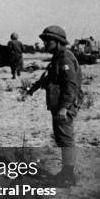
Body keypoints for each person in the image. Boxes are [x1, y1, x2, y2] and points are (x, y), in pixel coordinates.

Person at [27, 25, 83, 187]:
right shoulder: (57, 57)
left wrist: (64, 107)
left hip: (64, 105)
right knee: (61, 138)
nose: (44, 44)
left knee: (66, 139)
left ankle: (68, 175)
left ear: (57, 42)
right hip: (58, 104)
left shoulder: (65, 58)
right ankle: (66, 173)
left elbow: (70, 85)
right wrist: (32, 89)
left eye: (47, 41)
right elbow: (49, 78)